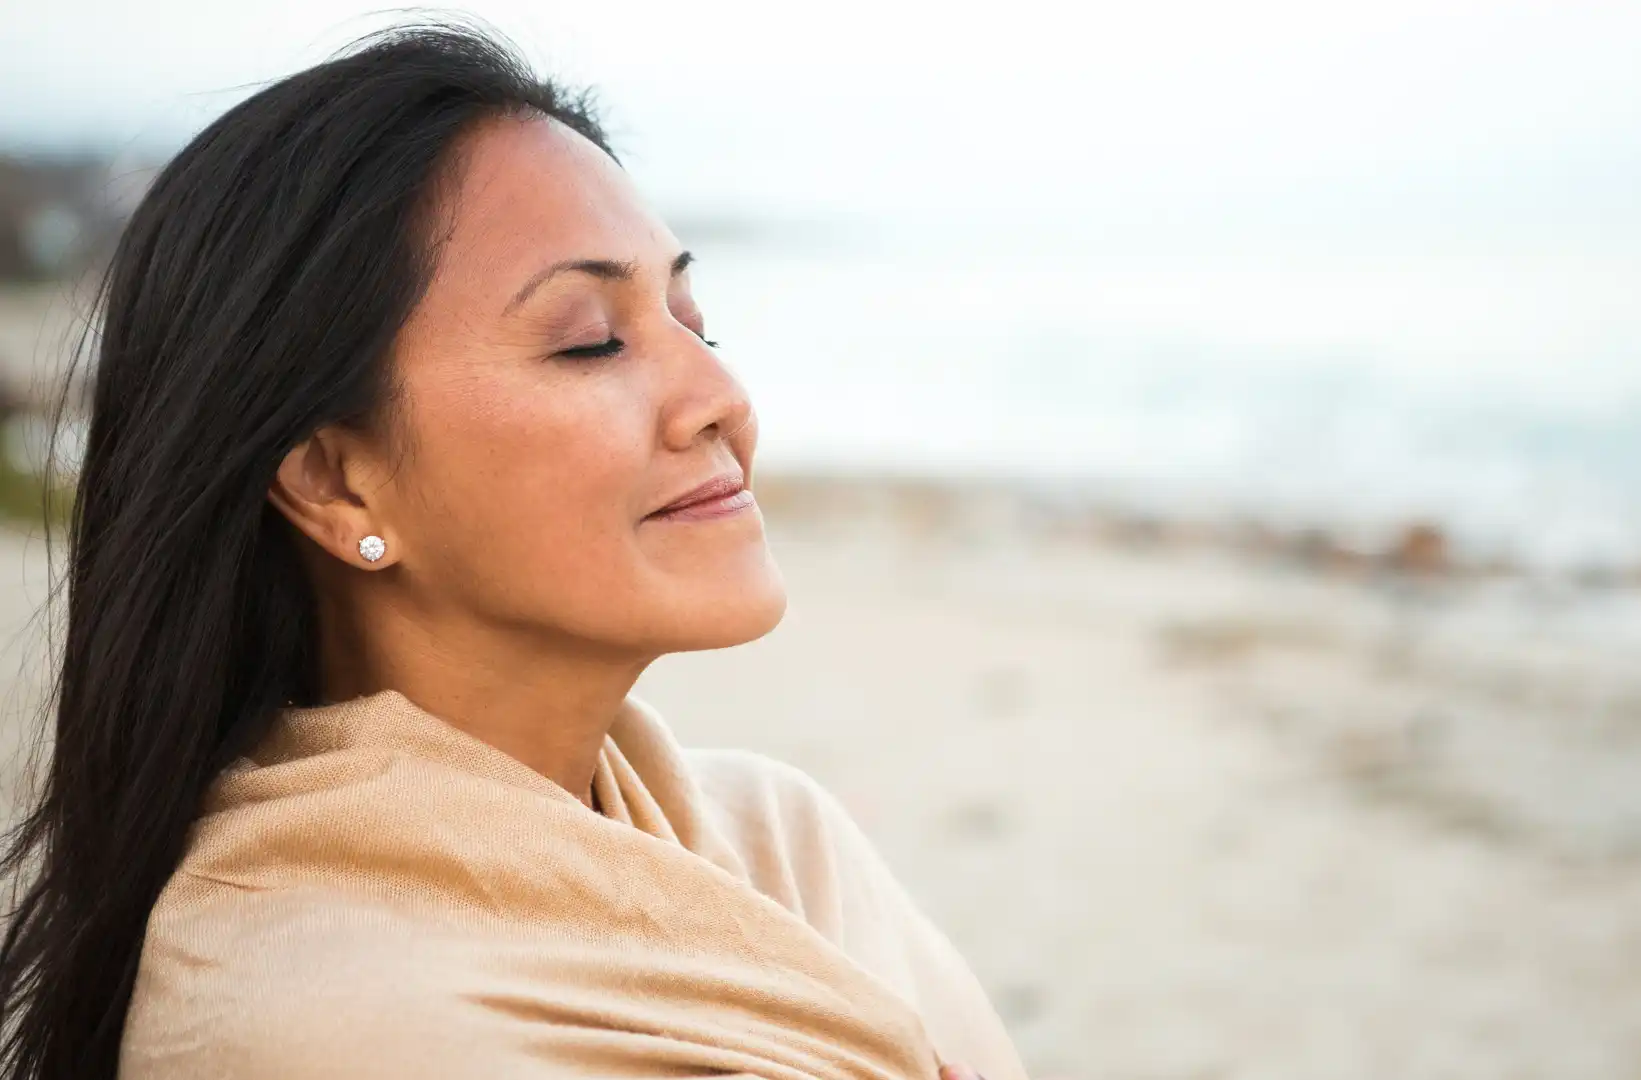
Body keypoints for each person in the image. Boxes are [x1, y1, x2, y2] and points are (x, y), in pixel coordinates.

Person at [0, 24, 1028, 1080]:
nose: (721, 399)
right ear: (334, 480)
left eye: (694, 322)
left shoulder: (783, 847)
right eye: (591, 340)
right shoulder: (323, 1024)